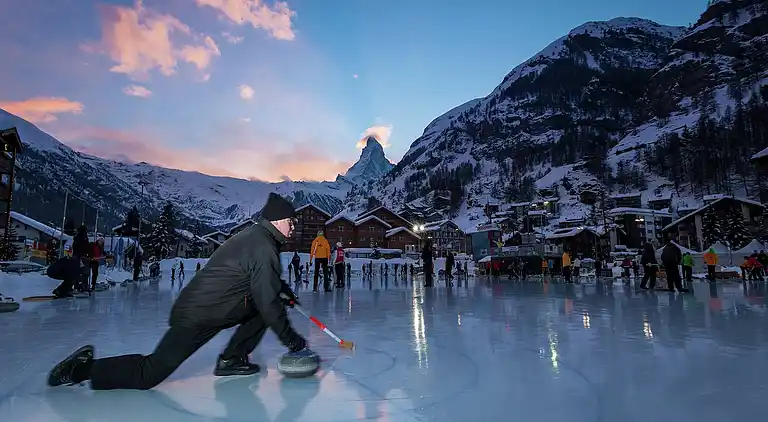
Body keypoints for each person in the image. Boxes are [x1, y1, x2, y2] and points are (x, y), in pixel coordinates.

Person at [47, 192, 309, 390]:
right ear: (277, 221)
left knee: (263, 309)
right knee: (148, 375)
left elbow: (263, 283)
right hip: (198, 314)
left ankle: (232, 359)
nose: (293, 227)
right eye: (291, 222)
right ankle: (81, 370)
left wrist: (281, 290)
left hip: (218, 307)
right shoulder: (263, 246)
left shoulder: (258, 238)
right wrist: (293, 341)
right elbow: (267, 300)